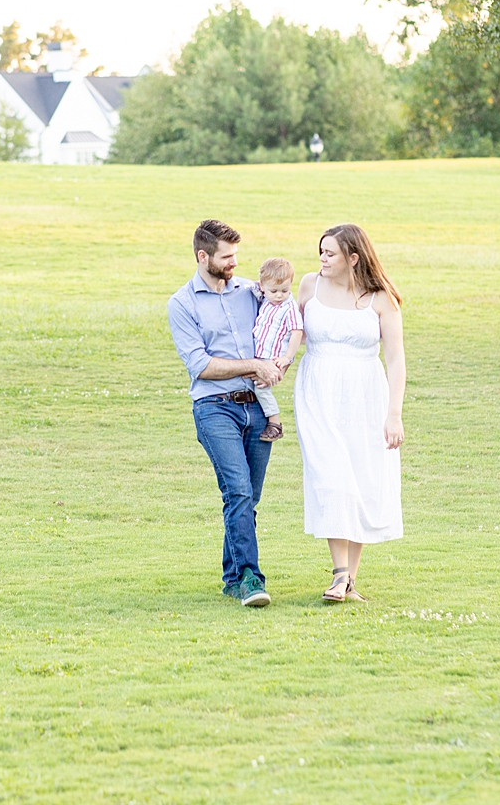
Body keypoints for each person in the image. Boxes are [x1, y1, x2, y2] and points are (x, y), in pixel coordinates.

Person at [168, 219, 283, 608]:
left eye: (237, 255)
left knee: (247, 498)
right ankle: (252, 578)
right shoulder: (182, 303)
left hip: (258, 409)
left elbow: (282, 321)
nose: (235, 262)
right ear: (204, 257)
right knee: (237, 490)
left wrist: (278, 362)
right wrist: (254, 364)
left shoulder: (251, 292)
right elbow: (200, 365)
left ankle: (232, 578)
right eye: (227, 256)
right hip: (214, 409)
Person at [293, 223, 405, 602]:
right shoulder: (309, 286)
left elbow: (395, 359)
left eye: (330, 253)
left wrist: (394, 414)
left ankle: (347, 580)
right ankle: (339, 573)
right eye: (320, 252)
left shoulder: (380, 299)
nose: (322, 259)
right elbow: (292, 331)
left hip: (365, 396)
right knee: (332, 477)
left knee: (362, 482)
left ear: (353, 258)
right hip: (318, 392)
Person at [250, 257, 305, 442]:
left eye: (285, 290)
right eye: (274, 291)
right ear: (263, 287)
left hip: (272, 357)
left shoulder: (289, 308)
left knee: (261, 388)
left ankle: (275, 423)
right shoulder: (266, 299)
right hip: (257, 354)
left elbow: (297, 332)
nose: (279, 295)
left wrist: (287, 357)